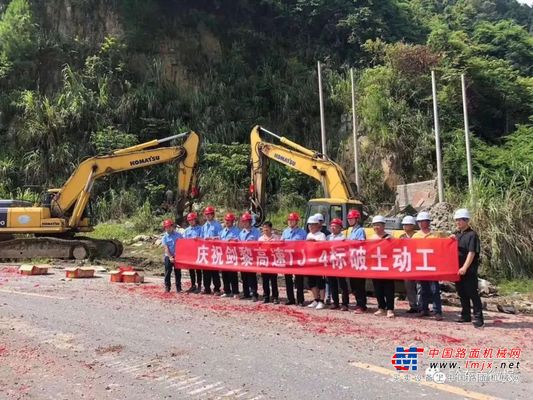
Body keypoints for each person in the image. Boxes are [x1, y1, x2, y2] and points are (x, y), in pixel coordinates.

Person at [452, 208, 484, 328]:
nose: (458, 222)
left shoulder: (472, 235)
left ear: (466, 221)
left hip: (468, 270)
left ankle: (479, 318)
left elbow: (472, 253)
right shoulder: (457, 235)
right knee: (461, 293)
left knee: (472, 293)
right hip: (457, 270)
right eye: (456, 220)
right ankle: (465, 315)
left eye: (460, 220)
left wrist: (465, 267)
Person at [413, 211, 443, 321]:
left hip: (432, 266)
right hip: (421, 266)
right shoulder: (415, 236)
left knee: (434, 289)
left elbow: (441, 248)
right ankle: (423, 309)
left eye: (423, 221)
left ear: (428, 222)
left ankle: (437, 311)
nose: (421, 223)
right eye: (419, 221)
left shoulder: (435, 235)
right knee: (423, 289)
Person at [370, 215, 395, 318]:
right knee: (378, 288)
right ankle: (381, 307)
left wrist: (391, 242)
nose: (376, 227)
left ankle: (390, 309)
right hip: (375, 266)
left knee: (389, 288)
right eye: (374, 225)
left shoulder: (390, 237)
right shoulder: (371, 238)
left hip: (387, 267)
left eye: (378, 225)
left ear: (383, 226)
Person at [281, 212, 307, 306]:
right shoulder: (285, 232)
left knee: (299, 280)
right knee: (288, 279)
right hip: (287, 259)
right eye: (289, 220)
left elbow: (306, 245)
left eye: (292, 220)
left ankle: (300, 300)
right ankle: (290, 298)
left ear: (296, 222)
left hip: (298, 258)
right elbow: (281, 244)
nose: (290, 222)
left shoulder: (302, 232)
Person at [347, 209, 368, 313]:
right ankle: (358, 303)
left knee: (359, 285)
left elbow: (361, 244)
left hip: (359, 261)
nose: (350, 220)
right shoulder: (351, 231)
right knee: (353, 285)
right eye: (349, 219)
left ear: (357, 219)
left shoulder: (360, 230)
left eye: (351, 218)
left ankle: (361, 304)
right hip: (352, 261)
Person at [327, 218, 350, 311]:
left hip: (340, 263)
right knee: (332, 284)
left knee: (342, 284)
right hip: (331, 263)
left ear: (340, 228)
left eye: (335, 226)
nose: (333, 228)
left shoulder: (343, 238)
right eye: (332, 226)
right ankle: (335, 302)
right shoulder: (328, 237)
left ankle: (345, 303)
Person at [238, 212, 261, 301]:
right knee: (243, 276)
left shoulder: (256, 232)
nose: (244, 223)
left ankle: (254, 293)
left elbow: (259, 244)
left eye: (246, 221)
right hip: (243, 257)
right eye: (243, 222)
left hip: (252, 257)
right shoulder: (241, 233)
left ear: (250, 222)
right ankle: (246, 293)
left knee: (251, 276)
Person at [306, 215, 327, 310]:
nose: (310, 227)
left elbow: (323, 247)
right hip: (310, 262)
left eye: (312, 225)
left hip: (319, 263)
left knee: (320, 283)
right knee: (312, 282)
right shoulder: (308, 235)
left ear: (317, 225)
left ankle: (322, 301)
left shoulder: (321, 235)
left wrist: (314, 242)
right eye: (309, 225)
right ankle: (316, 299)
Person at [201, 206, 222, 295]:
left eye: (210, 214)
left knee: (214, 271)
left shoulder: (217, 225)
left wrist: (212, 238)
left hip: (214, 250)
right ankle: (207, 288)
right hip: (206, 250)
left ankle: (217, 289)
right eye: (206, 215)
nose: (208, 216)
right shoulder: (204, 226)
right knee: (205, 271)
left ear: (213, 215)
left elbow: (221, 237)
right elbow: (202, 237)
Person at [400, 215, 419, 314]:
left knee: (419, 286)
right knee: (409, 286)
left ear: (412, 225)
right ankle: (413, 305)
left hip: (417, 264)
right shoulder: (401, 237)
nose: (405, 226)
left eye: (407, 224)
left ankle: (422, 305)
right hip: (406, 264)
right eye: (404, 225)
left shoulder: (417, 236)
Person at [258, 221, 281, 304]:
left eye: (267, 228)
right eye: (264, 228)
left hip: (273, 262)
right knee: (265, 280)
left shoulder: (276, 238)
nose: (265, 229)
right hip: (264, 262)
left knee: (274, 280)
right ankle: (266, 297)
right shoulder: (260, 239)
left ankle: (275, 297)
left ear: (271, 228)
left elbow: (279, 248)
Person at [220, 213, 241, 298]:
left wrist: (233, 240)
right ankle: (227, 291)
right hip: (224, 254)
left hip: (232, 255)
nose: (227, 222)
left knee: (233, 274)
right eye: (226, 220)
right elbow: (220, 240)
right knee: (224, 274)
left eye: (229, 220)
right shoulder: (223, 231)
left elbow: (239, 240)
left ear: (232, 221)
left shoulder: (237, 230)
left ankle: (235, 291)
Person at [183, 212, 203, 293]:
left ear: (195, 220)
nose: (191, 221)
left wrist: (199, 238)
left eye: (192, 220)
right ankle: (193, 285)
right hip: (190, 253)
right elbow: (183, 241)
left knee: (198, 270)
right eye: (189, 220)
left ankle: (199, 285)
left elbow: (203, 238)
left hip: (198, 252)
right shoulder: (186, 230)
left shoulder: (200, 228)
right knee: (191, 269)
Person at [161, 219, 183, 293]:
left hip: (177, 256)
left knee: (178, 273)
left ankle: (179, 288)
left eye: (169, 227)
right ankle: (167, 287)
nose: (168, 228)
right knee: (168, 272)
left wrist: (178, 256)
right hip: (168, 256)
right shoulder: (164, 237)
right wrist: (170, 257)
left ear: (172, 226)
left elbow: (182, 245)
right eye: (166, 227)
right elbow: (166, 248)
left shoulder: (179, 235)